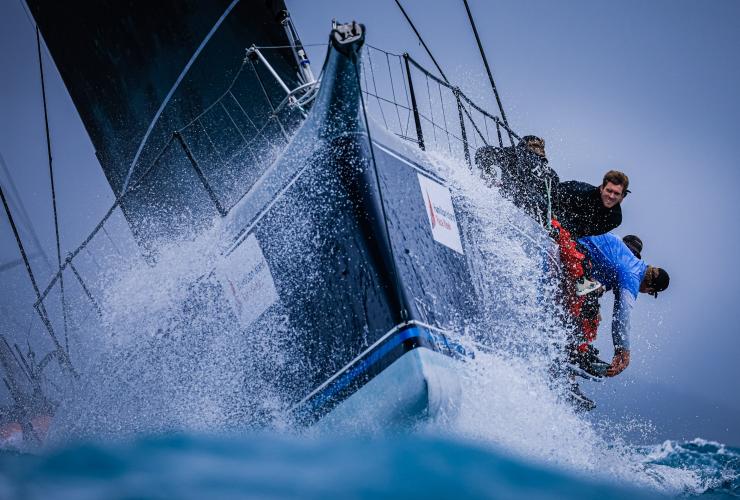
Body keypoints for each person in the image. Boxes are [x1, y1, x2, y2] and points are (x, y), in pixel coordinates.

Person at [576, 233, 669, 377]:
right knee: (588, 312)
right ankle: (574, 353)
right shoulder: (632, 277)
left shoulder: (630, 262)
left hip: (578, 245)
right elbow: (621, 318)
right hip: (577, 251)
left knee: (590, 307)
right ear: (650, 288)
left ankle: (577, 350)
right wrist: (623, 350)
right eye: (650, 292)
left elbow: (596, 285)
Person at [475, 135, 559, 226]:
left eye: (539, 146)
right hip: (525, 210)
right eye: (534, 146)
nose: (538, 150)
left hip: (523, 209)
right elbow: (483, 153)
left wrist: (487, 170)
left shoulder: (549, 173)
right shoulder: (550, 173)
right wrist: (488, 172)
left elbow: (482, 153)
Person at [554, 170, 630, 239]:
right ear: (601, 188)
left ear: (622, 196)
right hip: (555, 208)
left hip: (567, 232)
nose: (611, 196)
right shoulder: (581, 192)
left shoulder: (615, 219)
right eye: (609, 191)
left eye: (616, 193)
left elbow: (582, 232)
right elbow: (552, 195)